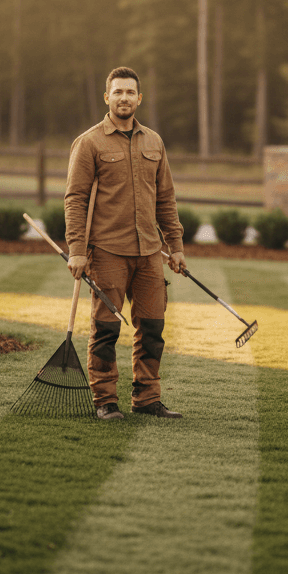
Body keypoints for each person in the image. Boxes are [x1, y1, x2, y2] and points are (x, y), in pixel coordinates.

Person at [65, 66, 186, 421]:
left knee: (152, 328)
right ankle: (105, 401)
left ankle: (147, 399)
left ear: (139, 98)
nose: (123, 98)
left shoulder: (154, 142)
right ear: (107, 97)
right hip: (106, 253)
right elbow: (75, 199)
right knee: (106, 330)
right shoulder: (89, 142)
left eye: (130, 92)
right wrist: (76, 250)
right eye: (117, 92)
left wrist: (175, 245)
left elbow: (166, 198)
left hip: (149, 252)